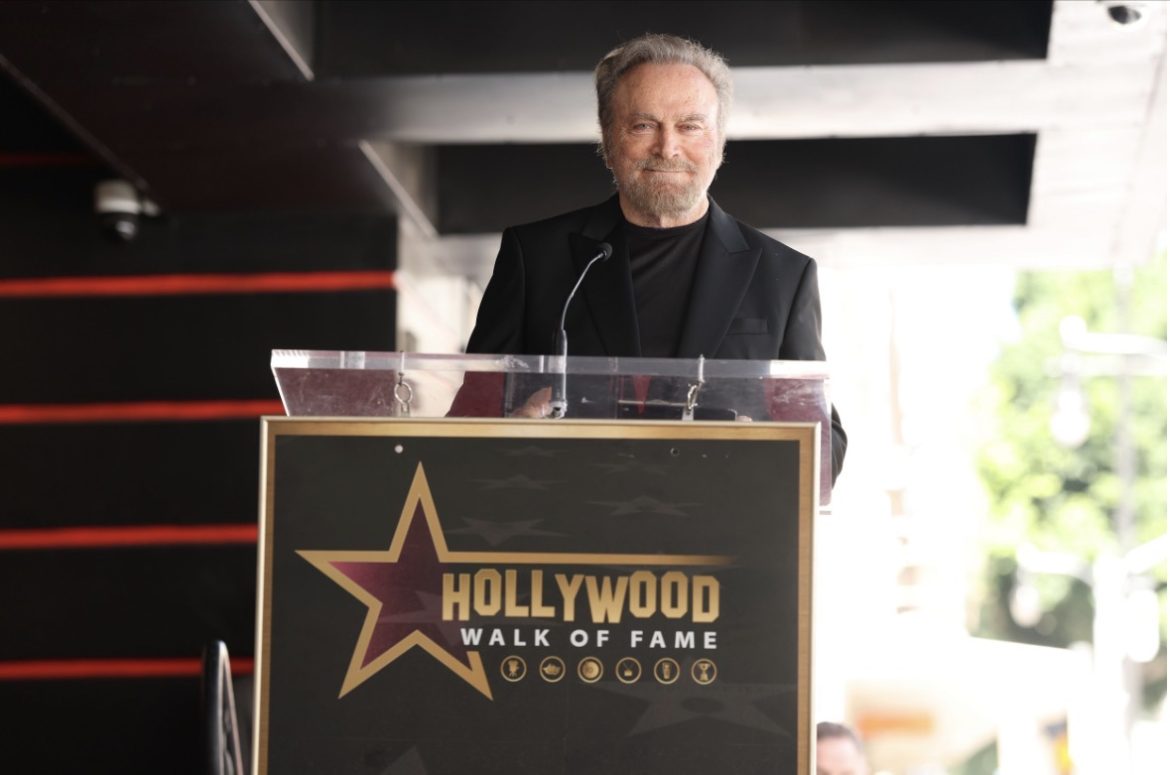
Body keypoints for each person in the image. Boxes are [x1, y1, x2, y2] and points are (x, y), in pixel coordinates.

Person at [465, 33, 845, 481]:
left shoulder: (784, 274)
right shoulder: (535, 257)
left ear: (719, 140)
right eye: (643, 125)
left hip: (716, 517)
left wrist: (763, 447)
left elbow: (826, 449)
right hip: (567, 515)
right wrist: (509, 430)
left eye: (690, 126)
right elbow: (466, 420)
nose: (667, 148)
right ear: (608, 136)